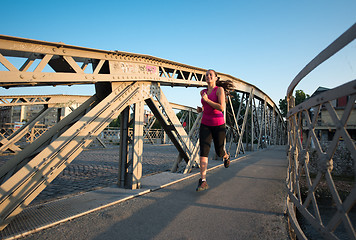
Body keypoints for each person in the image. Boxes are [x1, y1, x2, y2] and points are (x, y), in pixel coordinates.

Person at [196, 69, 233, 192]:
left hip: (218, 124)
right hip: (205, 123)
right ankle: (203, 180)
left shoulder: (219, 90)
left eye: (210, 75)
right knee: (203, 152)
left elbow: (221, 107)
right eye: (206, 75)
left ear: (216, 78)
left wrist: (207, 101)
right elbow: (206, 106)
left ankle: (226, 156)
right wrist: (201, 109)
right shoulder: (203, 92)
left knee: (219, 151)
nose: (208, 77)